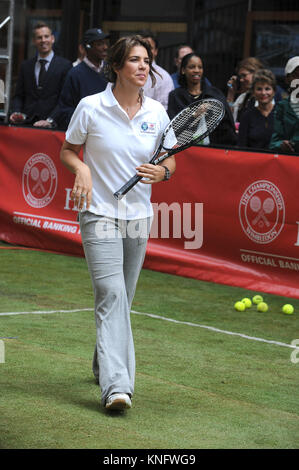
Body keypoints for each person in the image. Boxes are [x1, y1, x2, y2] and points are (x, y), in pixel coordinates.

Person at [60, 35, 176, 411]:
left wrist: (162, 172)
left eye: (147, 61)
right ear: (116, 66)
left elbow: (170, 159)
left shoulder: (158, 112)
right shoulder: (91, 107)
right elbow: (67, 150)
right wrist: (81, 169)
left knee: (121, 299)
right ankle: (117, 386)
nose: (143, 67)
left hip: (139, 219)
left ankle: (101, 363)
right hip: (98, 214)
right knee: (111, 295)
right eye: (135, 61)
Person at [9, 21, 72, 128]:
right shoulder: (26, 65)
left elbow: (65, 99)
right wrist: (16, 112)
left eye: (46, 36)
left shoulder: (65, 66)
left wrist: (50, 120)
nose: (43, 40)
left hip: (52, 126)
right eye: (39, 37)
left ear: (52, 38)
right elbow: (19, 96)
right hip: (27, 124)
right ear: (34, 41)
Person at [168, 52, 237, 146]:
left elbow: (227, 127)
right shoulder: (175, 96)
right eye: (192, 67)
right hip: (185, 150)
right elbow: (174, 128)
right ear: (183, 70)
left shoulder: (214, 94)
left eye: (200, 67)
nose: (197, 70)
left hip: (213, 150)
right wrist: (195, 115)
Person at [57, 28, 109, 130]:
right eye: (99, 44)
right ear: (87, 47)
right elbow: (65, 109)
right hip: (85, 133)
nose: (105, 47)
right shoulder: (74, 74)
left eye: (105, 43)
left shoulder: (112, 71)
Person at [237, 69, 276, 149]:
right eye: (259, 89)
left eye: (267, 89)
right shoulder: (247, 116)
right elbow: (241, 147)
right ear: (253, 92)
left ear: (274, 91)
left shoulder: (281, 113)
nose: (263, 93)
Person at [269, 56, 299, 154]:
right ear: (287, 79)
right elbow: (273, 143)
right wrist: (282, 144)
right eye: (296, 75)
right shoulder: (282, 107)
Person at [139, 30, 174, 110]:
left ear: (156, 51)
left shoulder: (164, 77)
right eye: (142, 47)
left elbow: (163, 109)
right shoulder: (125, 72)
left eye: (149, 48)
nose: (145, 51)